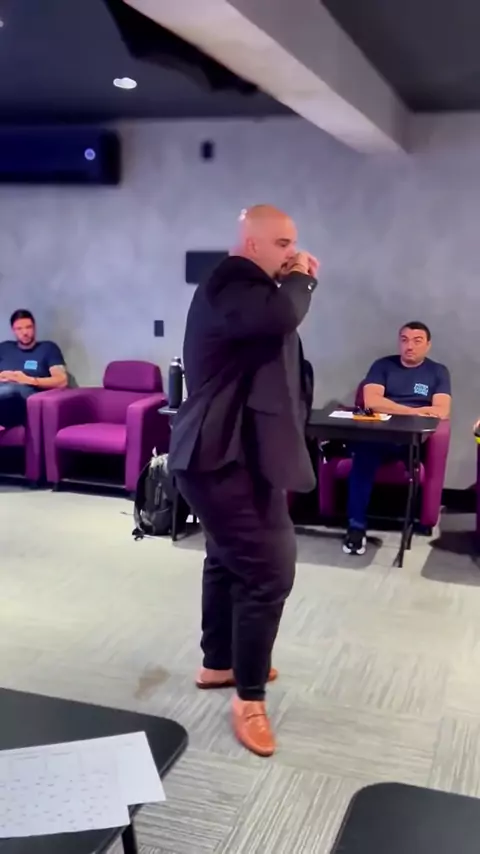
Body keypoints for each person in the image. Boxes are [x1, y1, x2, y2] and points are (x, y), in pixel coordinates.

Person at [168, 205, 319, 757]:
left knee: (226, 558)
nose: (293, 254)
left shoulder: (247, 292)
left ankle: (220, 663)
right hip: (219, 458)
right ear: (251, 244)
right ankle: (248, 699)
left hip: (227, 456)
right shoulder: (232, 281)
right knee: (269, 571)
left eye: (294, 244)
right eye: (282, 244)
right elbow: (280, 318)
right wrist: (304, 279)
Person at [343, 321, 451, 556]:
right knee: (363, 456)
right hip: (379, 436)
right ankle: (356, 527)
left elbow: (442, 410)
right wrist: (415, 411)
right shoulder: (383, 366)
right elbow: (372, 402)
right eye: (404, 340)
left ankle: (411, 521)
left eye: (417, 341)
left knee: (406, 458)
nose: (409, 346)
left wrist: (394, 408)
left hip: (412, 441)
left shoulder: (438, 372)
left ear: (428, 345)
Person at [0, 309, 68, 430]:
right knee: (6, 390)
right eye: (19, 329)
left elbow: (62, 381)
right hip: (3, 395)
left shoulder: (48, 348)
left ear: (34, 327)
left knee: (11, 390)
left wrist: (28, 380)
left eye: (28, 327)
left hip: (27, 396)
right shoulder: (5, 348)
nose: (25, 332)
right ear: (13, 330)